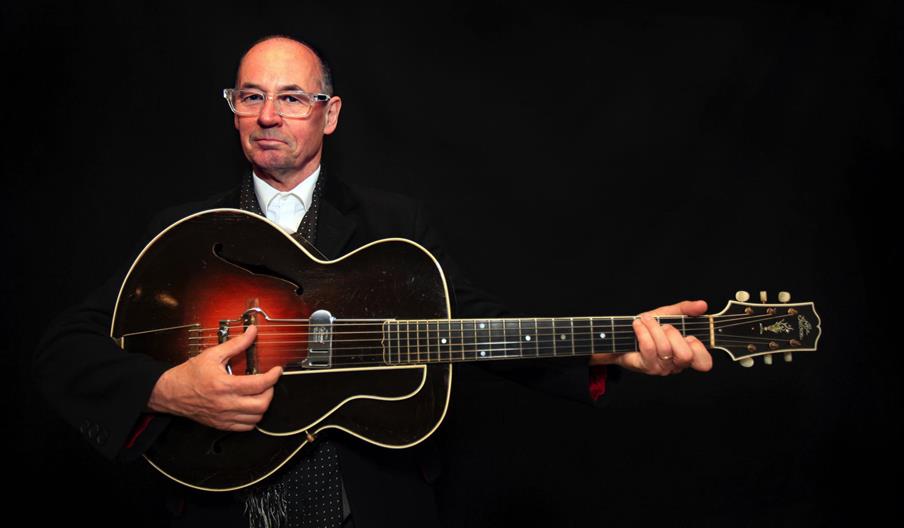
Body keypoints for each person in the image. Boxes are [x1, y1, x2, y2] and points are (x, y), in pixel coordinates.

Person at [34, 35, 712, 527]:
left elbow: (469, 326)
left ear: (329, 113)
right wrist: (168, 389)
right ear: (234, 109)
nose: (268, 115)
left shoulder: (395, 224)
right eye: (251, 96)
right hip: (221, 503)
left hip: (373, 510)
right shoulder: (186, 233)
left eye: (291, 97)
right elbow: (65, 348)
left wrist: (613, 345)